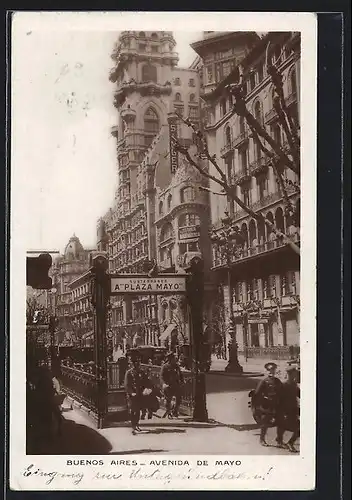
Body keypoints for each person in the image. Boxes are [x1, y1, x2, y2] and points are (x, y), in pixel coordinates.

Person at [253, 362, 283, 447]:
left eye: (273, 370)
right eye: (269, 370)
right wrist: (257, 407)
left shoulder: (277, 381)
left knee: (280, 422)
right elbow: (257, 394)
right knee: (265, 423)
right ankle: (262, 439)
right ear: (266, 371)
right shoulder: (264, 381)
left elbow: (282, 392)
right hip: (267, 405)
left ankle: (279, 440)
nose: (271, 372)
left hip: (276, 405)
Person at [124, 352, 152, 435]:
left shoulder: (141, 372)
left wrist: (147, 389)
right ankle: (133, 426)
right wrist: (131, 393)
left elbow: (146, 382)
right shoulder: (129, 373)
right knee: (133, 411)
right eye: (135, 362)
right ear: (132, 364)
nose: (137, 364)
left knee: (138, 411)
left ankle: (136, 425)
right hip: (132, 395)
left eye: (138, 362)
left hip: (139, 394)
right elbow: (127, 385)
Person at [277, 365, 300, 452]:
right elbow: (279, 400)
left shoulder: (294, 385)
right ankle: (288, 442)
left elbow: (300, 394)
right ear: (291, 374)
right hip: (285, 411)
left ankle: (280, 440)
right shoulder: (284, 385)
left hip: (293, 410)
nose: (296, 376)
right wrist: (282, 413)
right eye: (295, 374)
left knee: (285, 426)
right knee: (286, 426)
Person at [160, 352, 184, 418]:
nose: (175, 359)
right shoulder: (165, 366)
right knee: (168, 400)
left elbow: (180, 374)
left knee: (179, 399)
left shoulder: (176, 366)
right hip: (168, 386)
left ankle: (175, 411)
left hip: (176, 385)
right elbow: (162, 377)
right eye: (173, 358)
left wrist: (182, 381)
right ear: (170, 359)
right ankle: (169, 412)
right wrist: (164, 384)